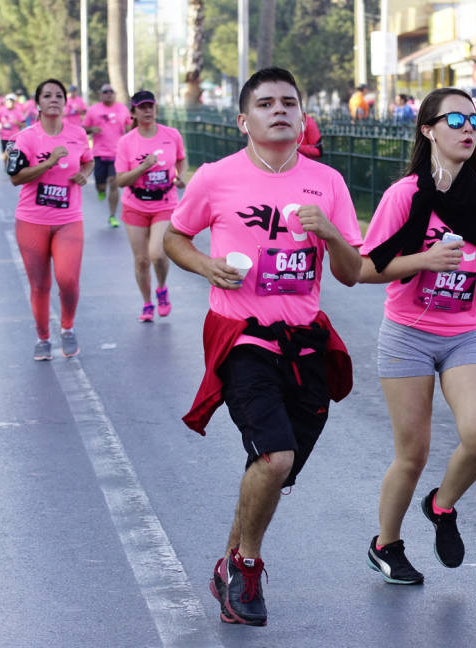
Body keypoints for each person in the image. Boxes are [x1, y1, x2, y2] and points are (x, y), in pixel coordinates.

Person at [163, 67, 361, 626]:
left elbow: (350, 272)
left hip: (305, 343)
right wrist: (207, 265)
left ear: (303, 118)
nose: (280, 110)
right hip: (242, 338)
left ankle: (229, 565)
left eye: (290, 103)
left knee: (272, 467)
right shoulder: (216, 177)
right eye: (267, 103)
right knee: (276, 457)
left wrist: (330, 235)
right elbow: (174, 237)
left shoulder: (328, 183)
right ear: (243, 120)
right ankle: (247, 568)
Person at [358, 87, 476, 586]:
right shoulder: (404, 196)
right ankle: (385, 545)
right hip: (408, 334)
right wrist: (425, 261)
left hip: (463, 334)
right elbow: (366, 269)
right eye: (456, 119)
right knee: (413, 454)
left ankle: (442, 506)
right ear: (428, 129)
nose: (469, 128)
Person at [6, 78, 94, 361]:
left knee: (67, 279)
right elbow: (15, 178)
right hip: (32, 220)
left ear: (65, 103)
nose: (54, 99)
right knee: (40, 284)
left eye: (59, 95)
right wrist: (48, 163)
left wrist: (85, 174)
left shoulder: (78, 134)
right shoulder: (26, 138)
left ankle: (67, 328)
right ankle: (43, 337)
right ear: (38, 104)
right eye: (47, 95)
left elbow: (88, 160)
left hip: (68, 219)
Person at [115, 90, 186, 322]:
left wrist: (181, 175)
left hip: (164, 202)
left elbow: (181, 158)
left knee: (156, 253)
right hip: (135, 205)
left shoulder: (171, 135)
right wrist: (143, 168)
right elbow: (120, 180)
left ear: (156, 108)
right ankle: (147, 303)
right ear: (133, 112)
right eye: (141, 107)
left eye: (150, 106)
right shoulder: (127, 142)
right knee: (141, 260)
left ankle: (162, 288)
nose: (147, 111)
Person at [83, 83, 132, 228]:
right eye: (105, 91)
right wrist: (91, 129)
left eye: (111, 91)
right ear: (101, 94)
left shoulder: (122, 108)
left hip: (117, 154)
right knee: (101, 186)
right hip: (99, 154)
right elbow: (83, 128)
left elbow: (129, 127)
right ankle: (100, 190)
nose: (109, 93)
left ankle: (112, 215)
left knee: (113, 183)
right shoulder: (93, 110)